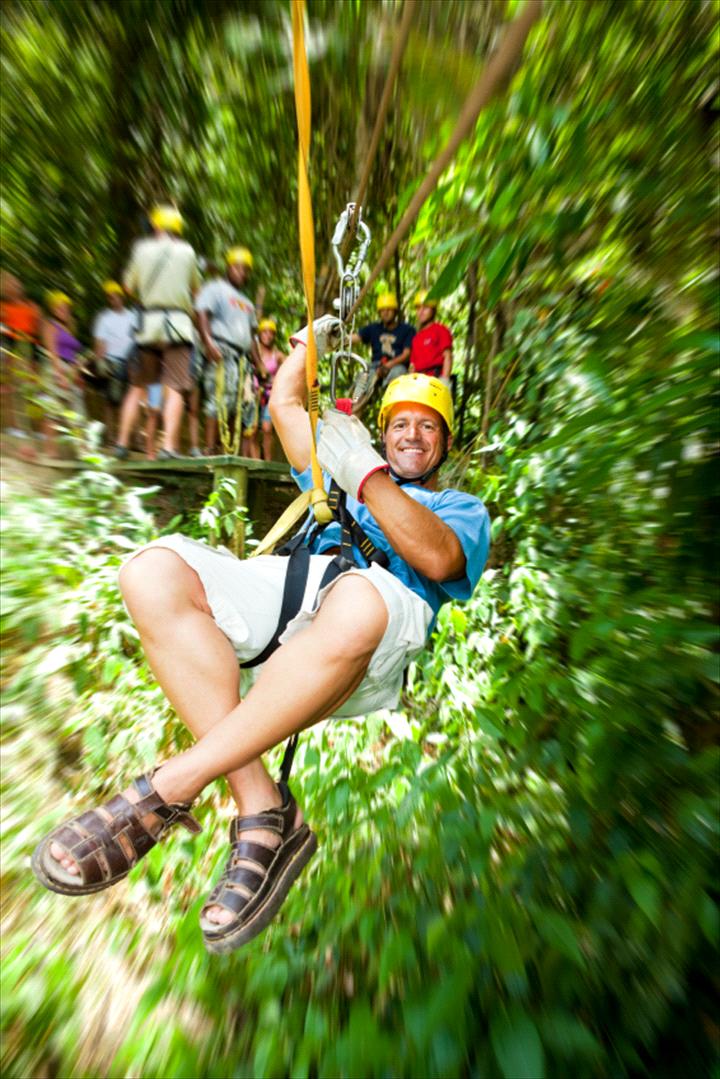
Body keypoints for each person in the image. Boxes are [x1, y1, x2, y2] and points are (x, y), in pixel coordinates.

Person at [31, 314, 490, 956]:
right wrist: (307, 347)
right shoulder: (340, 481)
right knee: (150, 573)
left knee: (357, 597)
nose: (412, 434)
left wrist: (361, 469)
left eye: (427, 426)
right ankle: (264, 811)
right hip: (292, 598)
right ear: (383, 433)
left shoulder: (460, 510)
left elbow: (438, 561)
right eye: (399, 424)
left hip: (373, 630)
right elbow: (282, 404)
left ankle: (166, 790)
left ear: (444, 443)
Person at [116, 204, 200, 460]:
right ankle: (169, 447)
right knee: (174, 387)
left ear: (155, 225)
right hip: (177, 326)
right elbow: (196, 290)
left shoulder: (141, 249)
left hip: (148, 326)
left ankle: (121, 444)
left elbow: (128, 287)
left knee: (138, 386)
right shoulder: (187, 251)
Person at [196, 246, 261, 456]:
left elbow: (252, 338)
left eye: (245, 270)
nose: (241, 272)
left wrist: (259, 364)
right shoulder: (215, 288)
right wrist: (208, 342)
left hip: (242, 359)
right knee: (218, 398)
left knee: (238, 404)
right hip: (221, 350)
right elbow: (202, 313)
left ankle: (227, 450)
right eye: (238, 268)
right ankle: (209, 448)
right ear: (229, 267)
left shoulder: (248, 304)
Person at [39, 291, 85, 457]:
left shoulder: (70, 327)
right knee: (52, 410)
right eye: (59, 307)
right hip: (55, 368)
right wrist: (59, 374)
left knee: (77, 413)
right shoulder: (50, 325)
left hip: (71, 371)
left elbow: (73, 355)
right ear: (53, 309)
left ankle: (83, 452)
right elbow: (51, 351)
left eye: (66, 307)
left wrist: (77, 372)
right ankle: (50, 451)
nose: (63, 310)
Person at [92, 280, 137, 443]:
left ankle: (134, 438)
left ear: (121, 297)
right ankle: (110, 436)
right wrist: (99, 362)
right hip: (111, 361)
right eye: (110, 297)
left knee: (131, 400)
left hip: (130, 362)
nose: (114, 299)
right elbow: (99, 342)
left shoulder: (132, 316)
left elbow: (137, 339)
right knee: (110, 401)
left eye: (116, 296)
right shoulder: (104, 318)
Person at [0, 271, 41, 437]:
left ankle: (34, 429)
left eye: (16, 283)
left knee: (33, 388)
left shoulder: (32, 306)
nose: (14, 287)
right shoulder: (3, 307)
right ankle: (13, 427)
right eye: (9, 284)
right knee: (12, 387)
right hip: (13, 346)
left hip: (32, 347)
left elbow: (37, 329)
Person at [351, 291, 415, 388]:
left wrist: (388, 366)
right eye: (382, 310)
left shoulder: (407, 330)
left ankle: (389, 399)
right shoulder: (374, 328)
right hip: (376, 365)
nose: (385, 313)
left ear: (395, 311)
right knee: (363, 378)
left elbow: (406, 354)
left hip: (397, 365)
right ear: (379, 312)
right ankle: (357, 401)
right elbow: (355, 338)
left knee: (398, 374)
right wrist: (339, 336)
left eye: (389, 309)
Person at [409, 290, 453, 382]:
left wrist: (445, 381)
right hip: (418, 381)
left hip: (435, 379)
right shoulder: (416, 338)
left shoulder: (441, 330)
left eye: (425, 308)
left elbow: (447, 356)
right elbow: (413, 366)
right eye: (418, 308)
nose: (421, 312)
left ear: (433, 310)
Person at [257, 317, 285, 461]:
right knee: (252, 429)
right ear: (260, 334)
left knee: (267, 429)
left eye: (270, 333)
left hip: (270, 395)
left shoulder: (278, 355)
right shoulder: (254, 353)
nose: (267, 336)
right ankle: (254, 460)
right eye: (264, 332)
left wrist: (276, 381)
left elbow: (288, 370)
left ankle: (267, 460)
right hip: (254, 395)